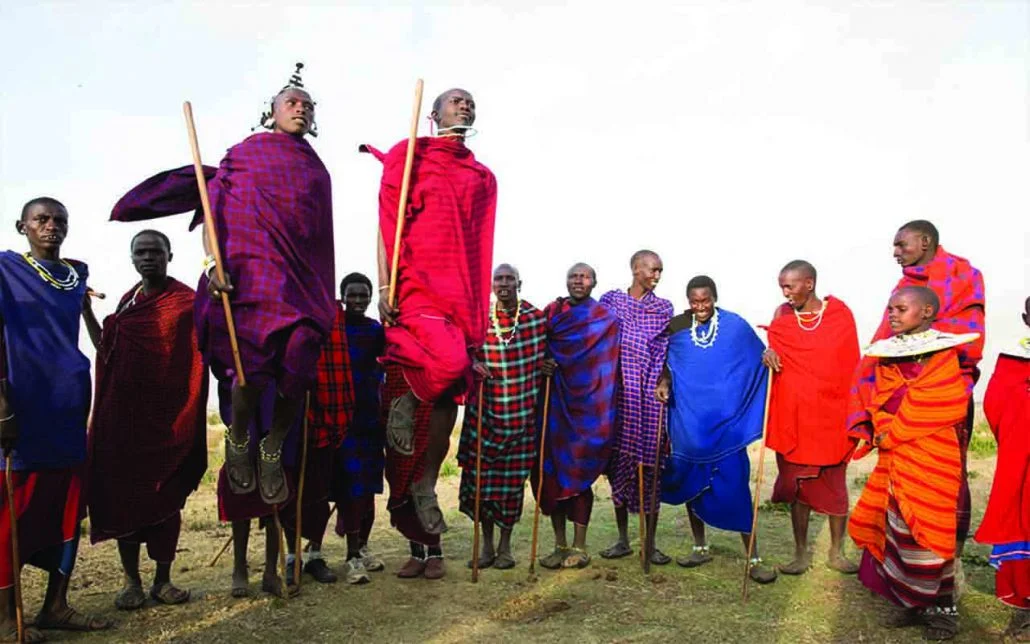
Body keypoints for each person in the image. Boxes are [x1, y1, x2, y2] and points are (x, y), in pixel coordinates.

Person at [110, 63, 337, 507]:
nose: (301, 109)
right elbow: (217, 214)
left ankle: (272, 444)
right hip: (253, 276)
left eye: (307, 106)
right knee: (248, 369)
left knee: (300, 360)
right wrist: (214, 263)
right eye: (291, 102)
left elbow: (320, 234)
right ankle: (238, 438)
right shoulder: (244, 156)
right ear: (270, 112)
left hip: (303, 285)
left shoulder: (316, 170)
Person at [364, 87, 497, 580]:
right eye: (455, 100)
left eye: (470, 102)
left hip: (457, 298)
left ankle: (426, 488)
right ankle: (415, 542)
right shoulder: (409, 157)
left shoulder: (482, 177)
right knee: (434, 384)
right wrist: (383, 283)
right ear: (433, 112)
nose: (465, 105)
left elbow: (479, 247)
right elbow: (386, 225)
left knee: (446, 397)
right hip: (414, 292)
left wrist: (475, 319)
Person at [0, 197, 112, 642]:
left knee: (68, 508)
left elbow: (83, 319)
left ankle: (56, 605)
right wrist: (1, 402)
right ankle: (7, 617)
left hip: (68, 401)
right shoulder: (6, 270)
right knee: (12, 511)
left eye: (59, 220)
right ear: (22, 226)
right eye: (41, 220)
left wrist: (87, 309)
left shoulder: (75, 274)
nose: (51, 226)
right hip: (22, 402)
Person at [85, 230, 207, 610]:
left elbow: (205, 349)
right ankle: (131, 582)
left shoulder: (187, 302)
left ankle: (163, 581)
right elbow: (106, 350)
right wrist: (86, 311)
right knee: (123, 499)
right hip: (123, 423)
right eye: (141, 252)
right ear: (132, 258)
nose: (148, 257)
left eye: (156, 251)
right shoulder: (126, 304)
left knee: (166, 497)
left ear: (170, 255)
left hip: (169, 421)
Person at [849, 286, 978, 641]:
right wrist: (886, 430)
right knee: (900, 530)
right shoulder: (889, 358)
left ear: (926, 312)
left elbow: (947, 402)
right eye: (890, 307)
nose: (891, 314)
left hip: (933, 456)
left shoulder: (943, 357)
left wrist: (897, 427)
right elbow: (881, 401)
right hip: (897, 458)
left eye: (901, 308)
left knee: (934, 534)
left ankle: (944, 614)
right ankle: (912, 602)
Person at [850, 220, 984, 556]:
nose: (896, 253)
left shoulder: (963, 277)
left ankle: (946, 562)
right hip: (896, 397)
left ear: (924, 241)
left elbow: (969, 340)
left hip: (942, 393)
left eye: (901, 245)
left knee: (945, 479)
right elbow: (888, 341)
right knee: (897, 478)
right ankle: (900, 561)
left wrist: (925, 358)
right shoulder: (905, 286)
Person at [656, 275, 777, 584]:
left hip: (726, 428)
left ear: (715, 297)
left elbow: (756, 356)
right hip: (689, 424)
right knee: (689, 487)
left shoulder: (735, 326)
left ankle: (753, 558)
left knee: (736, 488)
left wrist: (767, 356)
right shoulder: (677, 328)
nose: (700, 307)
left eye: (705, 300)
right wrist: (666, 379)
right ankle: (699, 546)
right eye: (695, 301)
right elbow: (663, 362)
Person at [760, 260, 859, 575]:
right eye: (782, 287)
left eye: (790, 286)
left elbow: (849, 367)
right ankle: (801, 554)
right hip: (795, 418)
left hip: (830, 418)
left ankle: (836, 552)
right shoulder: (783, 317)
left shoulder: (840, 317)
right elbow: (775, 352)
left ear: (809, 283)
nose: (786, 293)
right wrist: (768, 354)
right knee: (798, 488)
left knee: (835, 486)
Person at [458, 264, 547, 570]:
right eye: (499, 278)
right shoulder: (477, 318)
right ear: (491, 284)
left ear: (519, 283)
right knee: (481, 485)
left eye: (510, 278)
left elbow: (553, 352)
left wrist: (549, 364)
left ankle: (506, 547)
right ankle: (486, 547)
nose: (504, 283)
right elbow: (459, 349)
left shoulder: (536, 320)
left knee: (511, 488)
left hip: (521, 418)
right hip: (484, 416)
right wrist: (471, 362)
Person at [534, 263, 620, 570]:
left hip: (588, 408)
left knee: (579, 476)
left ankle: (580, 547)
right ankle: (559, 545)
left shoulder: (604, 319)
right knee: (551, 475)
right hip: (554, 403)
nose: (578, 281)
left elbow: (609, 361)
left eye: (584, 276)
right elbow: (536, 346)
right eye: (573, 276)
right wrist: (542, 362)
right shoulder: (552, 312)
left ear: (594, 282)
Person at [597, 250, 673, 564]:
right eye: (652, 270)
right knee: (618, 466)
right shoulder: (610, 302)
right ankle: (623, 540)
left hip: (649, 397)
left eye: (660, 271)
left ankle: (650, 543)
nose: (657, 276)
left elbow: (669, 351)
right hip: (616, 395)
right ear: (635, 268)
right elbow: (595, 339)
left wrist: (665, 380)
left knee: (650, 468)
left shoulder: (663, 308)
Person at [974, 296, 1030, 640]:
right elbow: (996, 403)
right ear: (1026, 318)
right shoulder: (1015, 357)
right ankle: (1025, 603)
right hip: (1023, 461)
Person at [329, 272, 386, 585]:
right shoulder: (332, 328)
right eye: (352, 295)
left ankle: (362, 547)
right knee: (349, 489)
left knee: (368, 488)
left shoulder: (375, 330)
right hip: (340, 419)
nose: (359, 301)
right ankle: (350, 557)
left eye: (364, 295)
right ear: (342, 296)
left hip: (369, 417)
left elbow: (387, 362)